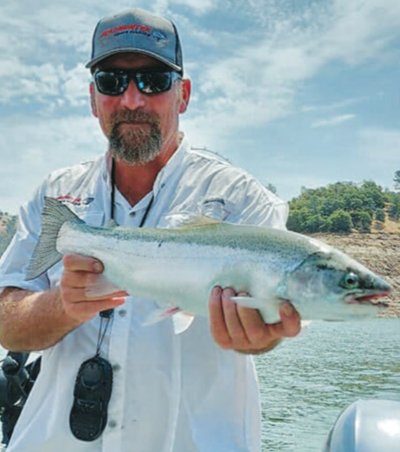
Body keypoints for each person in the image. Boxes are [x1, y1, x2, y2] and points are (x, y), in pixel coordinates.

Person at [0, 8, 300, 452]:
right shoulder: (55, 196)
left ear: (183, 95)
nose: (132, 100)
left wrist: (261, 336)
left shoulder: (244, 202)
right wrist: (61, 306)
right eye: (112, 81)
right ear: (92, 97)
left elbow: (273, 318)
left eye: (154, 80)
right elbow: (6, 319)